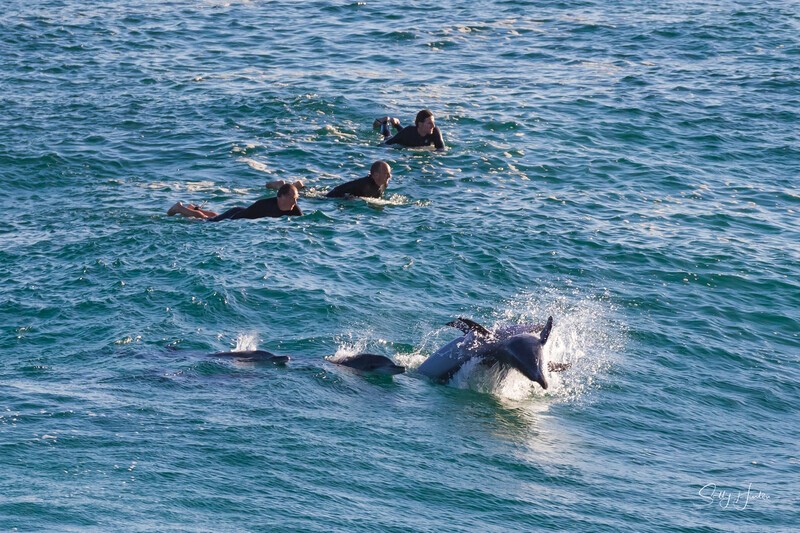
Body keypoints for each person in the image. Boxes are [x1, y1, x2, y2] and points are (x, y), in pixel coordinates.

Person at [167, 183, 302, 221]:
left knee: (215, 215)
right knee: (206, 221)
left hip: (241, 210)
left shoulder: (295, 210)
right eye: (292, 198)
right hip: (237, 215)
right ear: (281, 197)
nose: (294, 202)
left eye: (296, 198)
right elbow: (240, 217)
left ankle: (193, 208)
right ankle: (179, 208)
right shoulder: (263, 205)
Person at [374, 109, 445, 150]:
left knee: (404, 133)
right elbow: (386, 144)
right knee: (387, 136)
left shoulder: (435, 131)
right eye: (429, 123)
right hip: (402, 141)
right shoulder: (408, 132)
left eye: (433, 123)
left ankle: (396, 124)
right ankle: (385, 122)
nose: (433, 126)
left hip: (408, 135)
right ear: (420, 124)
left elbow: (441, 150)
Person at [326, 161, 391, 199]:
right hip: (333, 195)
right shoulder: (365, 187)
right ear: (376, 175)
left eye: (390, 173)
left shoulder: (383, 184)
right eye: (386, 174)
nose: (389, 176)